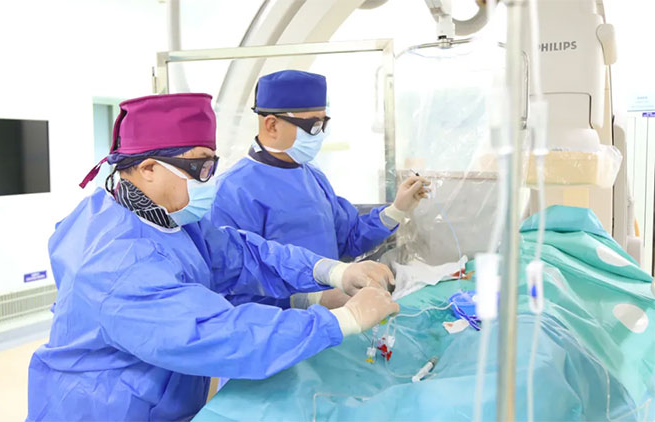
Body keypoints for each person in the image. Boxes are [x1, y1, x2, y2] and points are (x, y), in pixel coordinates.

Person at [26, 93, 400, 421]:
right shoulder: (118, 264)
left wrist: (331, 271)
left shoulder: (163, 219)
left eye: (211, 165)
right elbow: (220, 334)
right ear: (149, 168)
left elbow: (243, 254)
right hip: (105, 410)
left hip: (157, 396)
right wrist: (341, 320)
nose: (208, 180)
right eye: (199, 168)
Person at [208, 70, 429, 310]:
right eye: (313, 126)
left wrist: (397, 210)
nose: (320, 134)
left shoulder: (312, 176)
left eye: (324, 123)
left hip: (333, 320)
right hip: (279, 326)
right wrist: (308, 300)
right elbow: (229, 287)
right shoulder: (232, 191)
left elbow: (347, 239)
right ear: (271, 125)